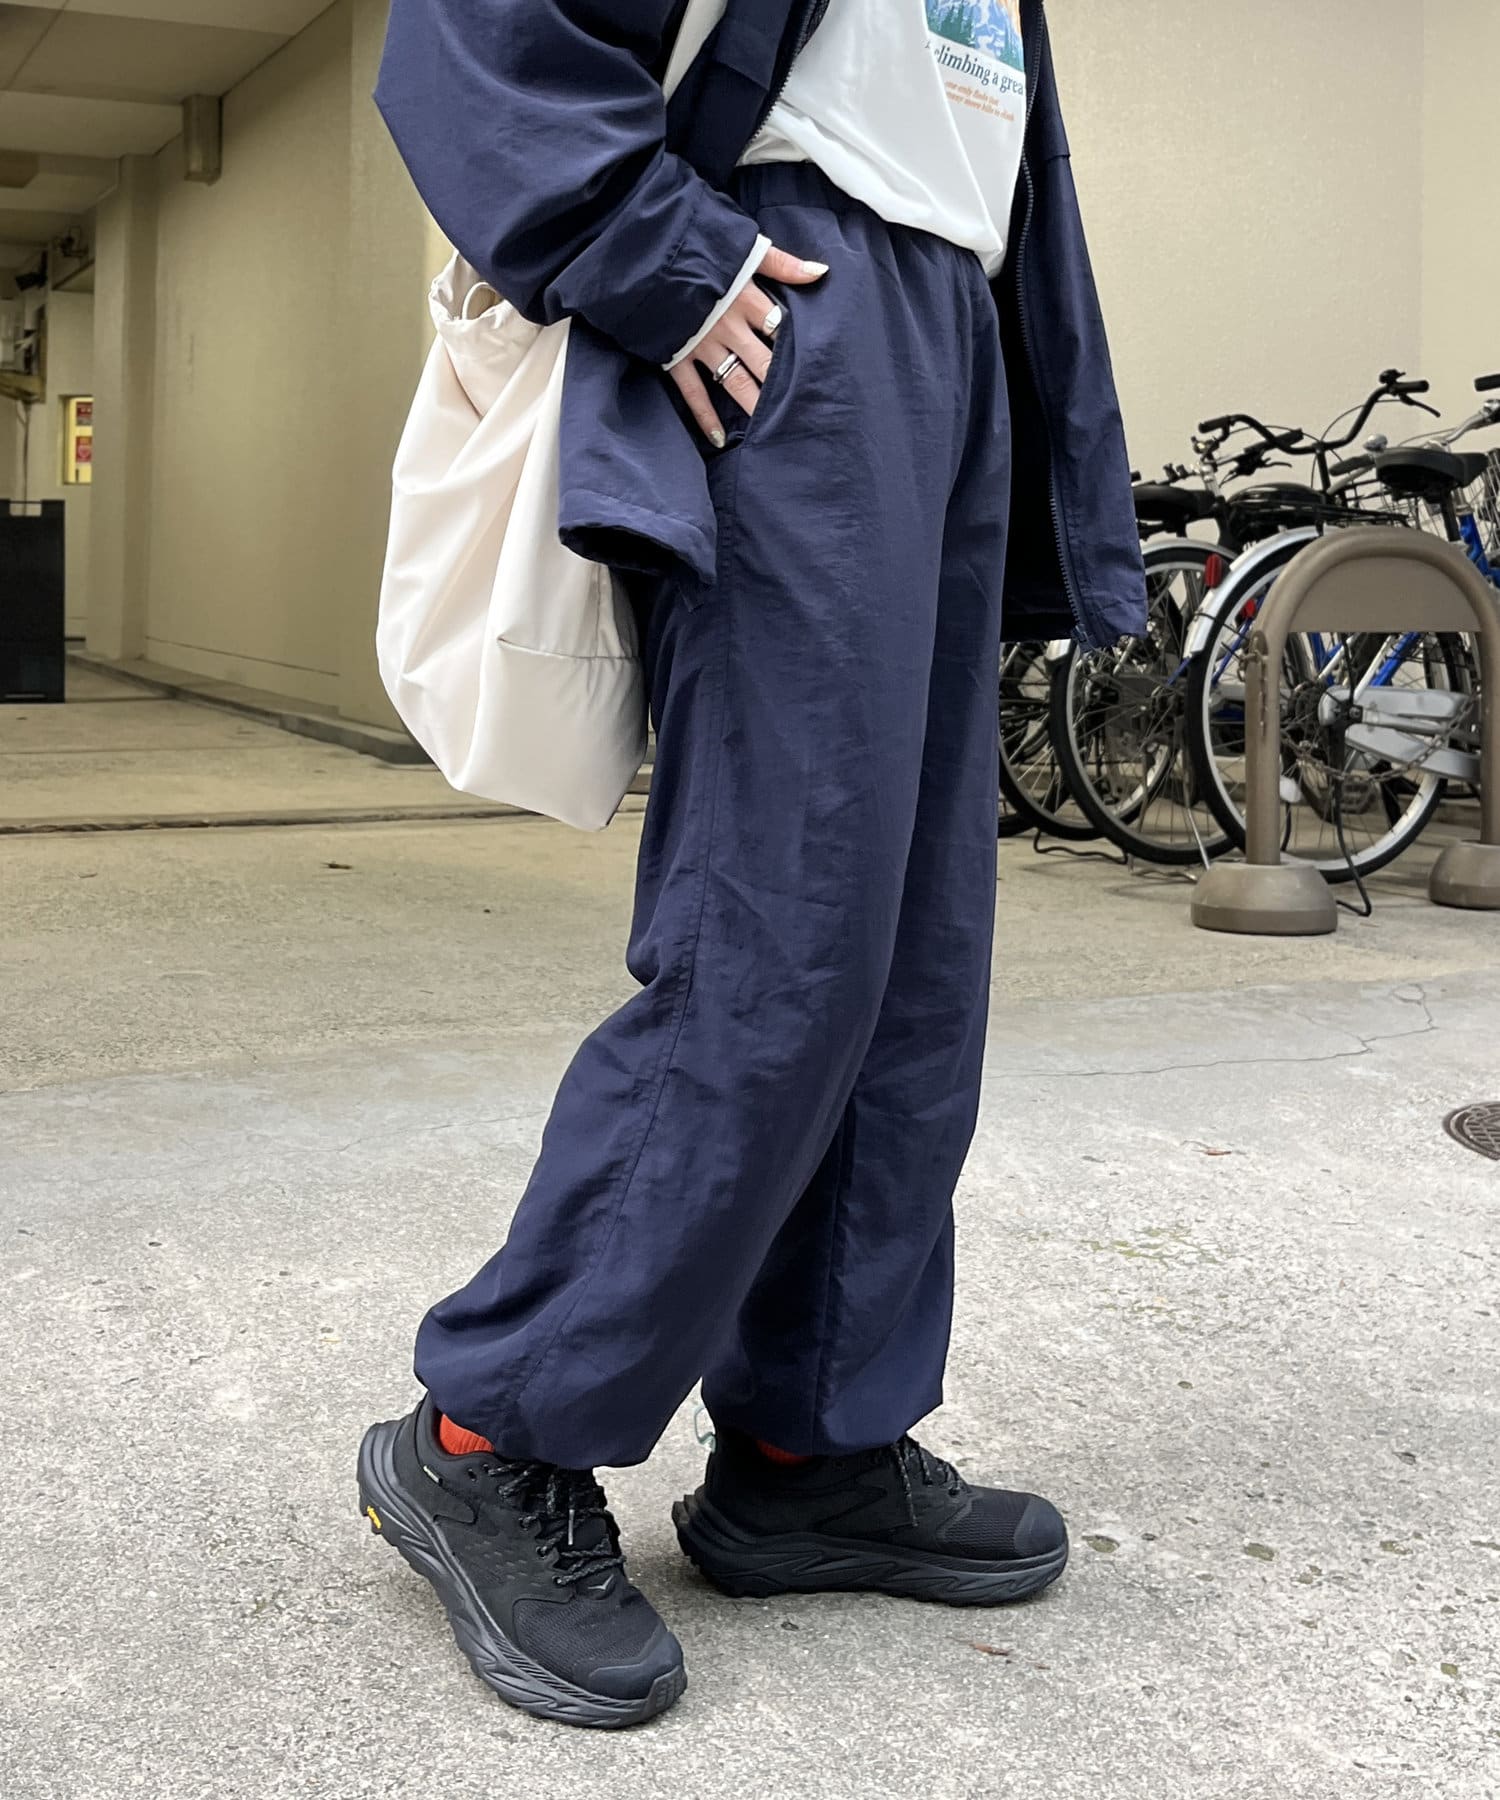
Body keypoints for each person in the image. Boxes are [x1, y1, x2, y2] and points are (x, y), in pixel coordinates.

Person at [360, 0, 1146, 1729]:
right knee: (781, 932)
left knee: (915, 959)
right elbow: (474, 32)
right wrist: (649, 242)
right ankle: (491, 1432)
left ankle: (810, 1442)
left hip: (956, 312)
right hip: (801, 295)